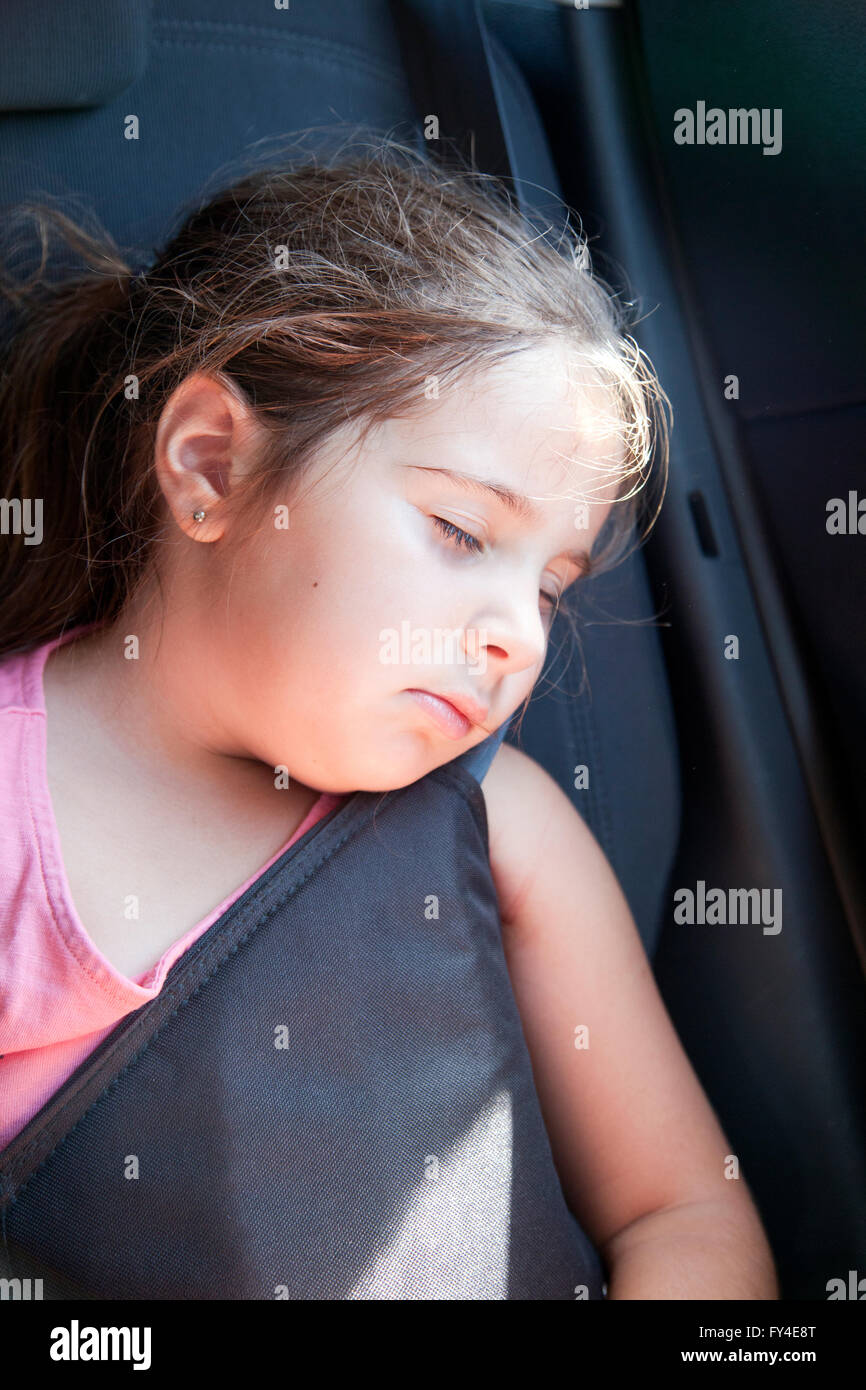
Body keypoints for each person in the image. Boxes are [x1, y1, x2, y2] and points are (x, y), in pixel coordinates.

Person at [0, 134, 777, 1299]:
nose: (518, 632)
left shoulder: (503, 825)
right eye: (461, 533)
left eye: (551, 586)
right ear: (209, 466)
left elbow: (682, 1211)